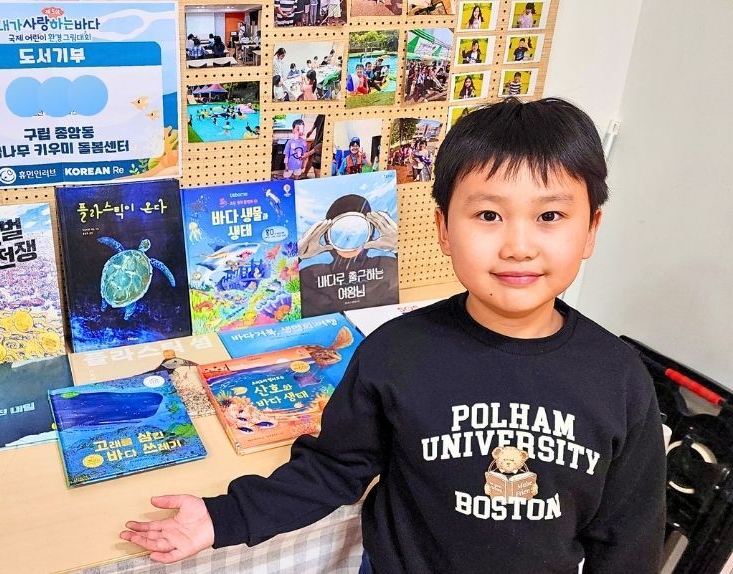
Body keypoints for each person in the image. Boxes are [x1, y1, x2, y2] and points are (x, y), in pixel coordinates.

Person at [119, 98, 666, 573]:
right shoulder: (396, 352)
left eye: (549, 216)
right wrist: (224, 517)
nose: (518, 246)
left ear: (590, 229)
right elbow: (334, 467)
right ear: (443, 229)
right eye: (488, 215)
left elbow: (627, 541)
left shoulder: (620, 380)